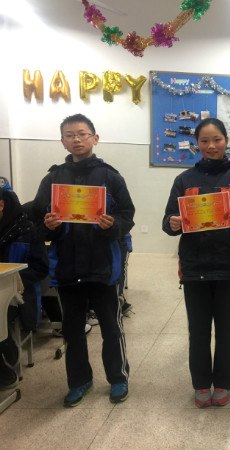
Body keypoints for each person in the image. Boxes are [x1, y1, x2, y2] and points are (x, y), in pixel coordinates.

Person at [31, 114, 135, 407]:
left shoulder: (111, 177)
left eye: (82, 133)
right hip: (67, 267)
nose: (76, 139)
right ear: (62, 141)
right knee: (73, 330)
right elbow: (36, 221)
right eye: (69, 135)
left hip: (104, 266)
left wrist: (112, 225)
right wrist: (49, 226)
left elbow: (127, 216)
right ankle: (79, 381)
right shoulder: (53, 178)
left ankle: (118, 378)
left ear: (94, 138)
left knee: (111, 328)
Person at [162, 118, 230, 408]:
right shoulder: (184, 180)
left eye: (216, 139)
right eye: (204, 141)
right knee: (198, 331)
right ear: (197, 144)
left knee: (226, 331)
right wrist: (173, 223)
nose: (211, 146)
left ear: (226, 141)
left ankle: (224, 383)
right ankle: (201, 384)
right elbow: (168, 222)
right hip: (194, 268)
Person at [0, 177, 48, 389]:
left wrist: (12, 277)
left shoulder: (27, 230)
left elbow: (40, 268)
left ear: (2, 205)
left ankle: (5, 368)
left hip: (17, 295)